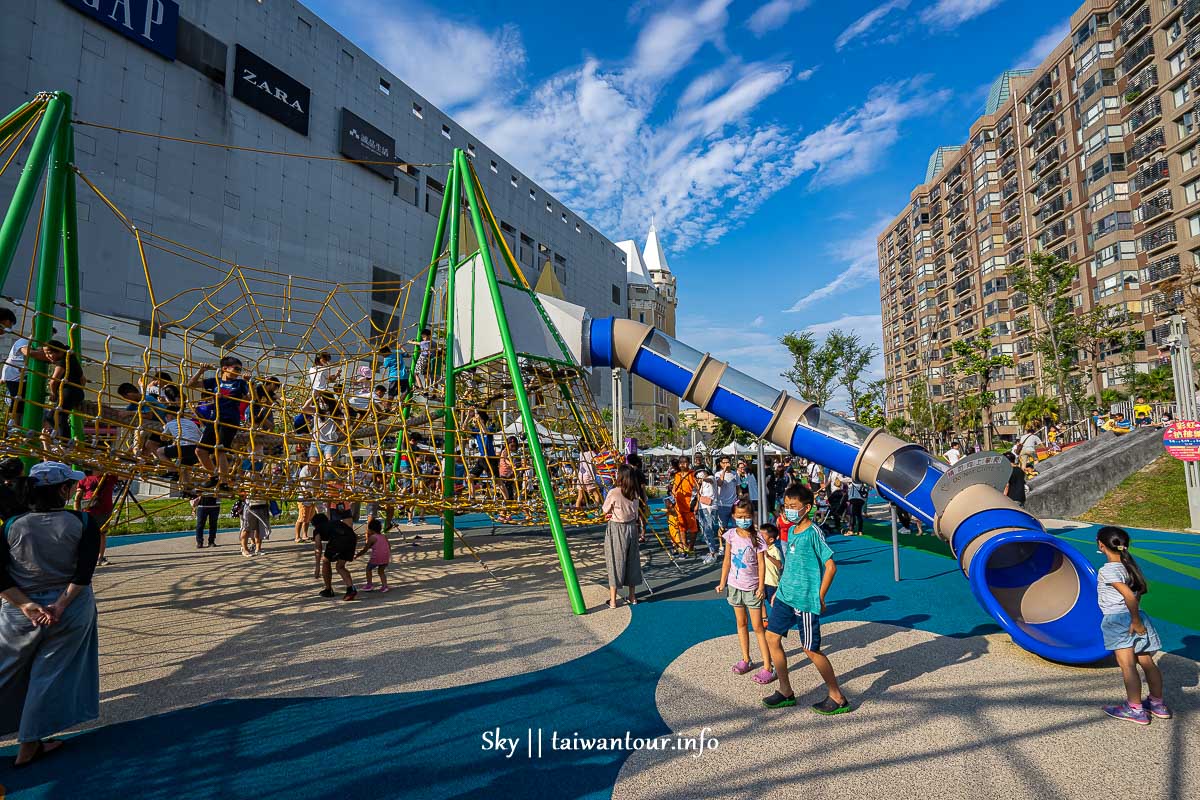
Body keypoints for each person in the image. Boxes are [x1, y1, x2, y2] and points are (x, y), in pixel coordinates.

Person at [0, 461, 101, 767]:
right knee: (50, 674)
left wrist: (26, 605)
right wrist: (59, 605)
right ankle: (29, 745)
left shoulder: (12, 525)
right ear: (63, 490)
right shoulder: (82, 523)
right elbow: (83, 573)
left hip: (19, 612)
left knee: (4, 671)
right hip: (68, 611)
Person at [762, 483, 851, 714]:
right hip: (785, 596)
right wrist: (779, 591)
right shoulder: (791, 531)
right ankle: (785, 691)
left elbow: (831, 567)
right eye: (786, 506)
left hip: (805, 601)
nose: (788, 510)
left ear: (807, 507)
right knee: (772, 638)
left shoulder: (814, 532)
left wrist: (820, 596)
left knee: (811, 649)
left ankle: (837, 696)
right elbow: (790, 565)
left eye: (794, 506)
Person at [1095, 526, 1171, 725]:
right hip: (1135, 617)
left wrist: (1135, 622)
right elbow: (1135, 594)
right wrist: (1137, 618)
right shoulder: (1128, 567)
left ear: (1101, 545)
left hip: (1119, 620)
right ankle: (1157, 703)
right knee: (1146, 662)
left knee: (1127, 665)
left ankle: (1135, 709)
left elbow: (1127, 595)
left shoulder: (1107, 570)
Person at [716, 499, 772, 685]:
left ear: (752, 517)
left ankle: (767, 666)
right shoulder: (730, 535)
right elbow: (727, 561)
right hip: (734, 586)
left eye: (747, 517)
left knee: (757, 627)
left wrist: (761, 586)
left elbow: (762, 564)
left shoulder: (757, 538)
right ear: (733, 517)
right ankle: (746, 659)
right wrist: (722, 582)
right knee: (741, 623)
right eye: (740, 517)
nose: (743, 520)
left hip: (752, 589)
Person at [187, 356, 250, 486]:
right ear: (225, 368)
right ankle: (213, 476)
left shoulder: (240, 383)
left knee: (220, 450)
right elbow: (191, 385)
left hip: (230, 420)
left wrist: (248, 382)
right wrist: (201, 371)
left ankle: (224, 481)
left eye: (240, 369)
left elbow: (249, 399)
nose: (238, 372)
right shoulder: (215, 381)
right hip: (214, 419)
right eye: (236, 369)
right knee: (200, 451)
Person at [601, 465, 642, 608]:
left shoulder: (614, 492)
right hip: (631, 527)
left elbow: (604, 509)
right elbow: (635, 514)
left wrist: (611, 511)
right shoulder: (634, 493)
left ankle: (612, 600)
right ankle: (632, 596)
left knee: (615, 561)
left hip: (617, 528)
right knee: (632, 561)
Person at [38, 340, 86, 444]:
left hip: (68, 393)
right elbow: (83, 379)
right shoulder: (72, 359)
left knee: (55, 417)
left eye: (50, 353)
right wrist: (79, 391)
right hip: (76, 392)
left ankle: (66, 442)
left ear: (59, 352)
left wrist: (53, 393)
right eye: (45, 353)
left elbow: (53, 381)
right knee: (58, 416)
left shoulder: (62, 362)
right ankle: (65, 440)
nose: (48, 356)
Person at [73, 472, 118, 566]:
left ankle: (99, 557)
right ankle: (92, 557)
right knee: (91, 534)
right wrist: (77, 511)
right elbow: (78, 496)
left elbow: (78, 497)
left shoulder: (110, 476)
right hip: (90, 510)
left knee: (101, 534)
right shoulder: (85, 478)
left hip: (103, 510)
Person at [315, 510, 358, 600]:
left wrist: (317, 567)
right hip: (352, 539)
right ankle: (351, 589)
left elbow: (318, 548)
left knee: (325, 561)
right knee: (340, 566)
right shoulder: (335, 522)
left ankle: (328, 589)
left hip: (338, 540)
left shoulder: (318, 529)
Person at [1, 312, 30, 423]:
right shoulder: (24, 341)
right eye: (9, 325)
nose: (9, 329)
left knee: (20, 401)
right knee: (17, 401)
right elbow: (27, 352)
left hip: (18, 376)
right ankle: (13, 424)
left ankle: (15, 424)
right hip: (13, 376)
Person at [356, 518, 391, 593]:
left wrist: (357, 555)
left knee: (368, 569)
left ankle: (369, 584)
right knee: (381, 571)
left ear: (371, 530)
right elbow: (389, 546)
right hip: (386, 557)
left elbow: (365, 549)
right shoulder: (383, 536)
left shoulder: (372, 538)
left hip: (377, 557)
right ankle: (385, 586)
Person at [695, 467, 720, 562]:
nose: (699, 474)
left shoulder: (711, 478)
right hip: (702, 506)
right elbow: (699, 495)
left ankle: (713, 553)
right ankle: (711, 550)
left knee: (708, 529)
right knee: (704, 530)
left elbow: (709, 479)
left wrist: (702, 479)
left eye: (701, 472)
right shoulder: (701, 485)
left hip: (709, 507)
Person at [713, 456, 739, 531]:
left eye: (727, 462)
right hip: (722, 504)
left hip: (734, 504)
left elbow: (738, 487)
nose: (726, 464)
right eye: (724, 463)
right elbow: (719, 483)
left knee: (736, 526)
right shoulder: (718, 474)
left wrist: (740, 496)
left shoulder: (735, 474)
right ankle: (721, 542)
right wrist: (724, 470)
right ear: (721, 464)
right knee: (722, 527)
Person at [762, 522, 782, 607]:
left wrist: (769, 556)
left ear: (771, 540)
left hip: (772, 583)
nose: (759, 538)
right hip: (761, 582)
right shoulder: (759, 548)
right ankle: (764, 619)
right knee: (759, 602)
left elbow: (780, 565)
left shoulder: (775, 550)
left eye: (762, 536)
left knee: (773, 603)